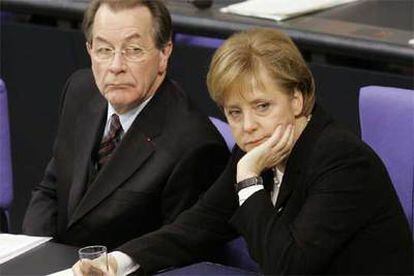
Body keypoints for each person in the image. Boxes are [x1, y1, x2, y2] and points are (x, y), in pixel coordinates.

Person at [73, 28, 413, 275]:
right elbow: (199, 225)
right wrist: (117, 262)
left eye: (262, 106)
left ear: (297, 99)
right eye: (235, 112)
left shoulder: (340, 160)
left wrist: (249, 181)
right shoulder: (256, 148)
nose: (247, 125)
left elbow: (289, 266)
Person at [22, 0, 229, 256]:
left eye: (133, 50)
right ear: (89, 50)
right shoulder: (80, 90)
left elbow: (177, 253)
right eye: (104, 50)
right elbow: (51, 188)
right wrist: (34, 256)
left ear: (164, 53)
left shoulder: (195, 145)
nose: (116, 66)